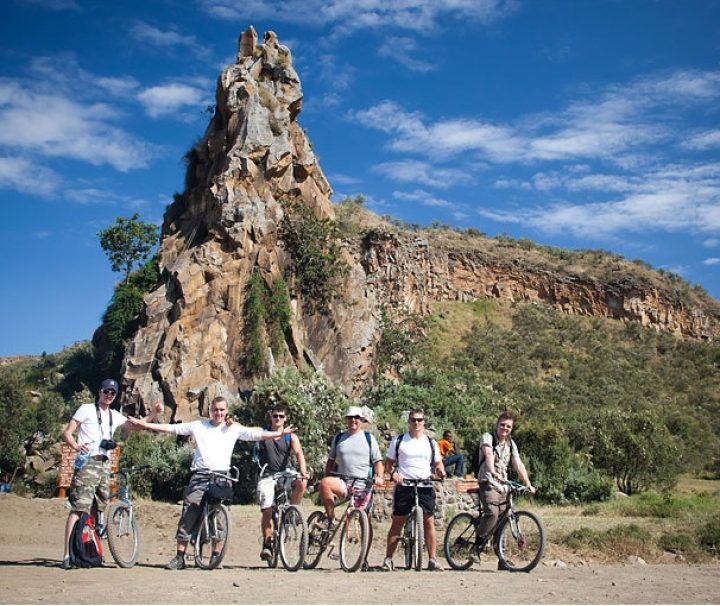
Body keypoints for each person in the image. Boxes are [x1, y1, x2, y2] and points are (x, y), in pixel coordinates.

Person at [127, 395, 294, 570]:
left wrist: (279, 433)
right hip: (200, 475)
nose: (218, 413)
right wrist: (146, 425)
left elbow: (257, 434)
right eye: (215, 410)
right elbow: (173, 429)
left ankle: (216, 555)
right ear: (210, 410)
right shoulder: (199, 426)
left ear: (227, 411)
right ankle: (180, 556)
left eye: (222, 410)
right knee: (189, 513)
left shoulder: (233, 428)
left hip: (222, 477)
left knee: (220, 517)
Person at [60, 378, 163, 570]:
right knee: (78, 507)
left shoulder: (114, 415)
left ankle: (88, 552)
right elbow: (67, 432)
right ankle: (67, 554)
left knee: (97, 508)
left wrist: (154, 414)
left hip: (105, 464)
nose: (109, 395)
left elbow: (135, 426)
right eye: (106, 391)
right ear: (99, 392)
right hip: (88, 462)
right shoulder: (86, 409)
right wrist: (75, 445)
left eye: (112, 393)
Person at [382, 408, 445, 571]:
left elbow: (438, 463)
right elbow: (388, 462)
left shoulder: (431, 443)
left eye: (419, 420)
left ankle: (432, 560)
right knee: (398, 521)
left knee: (429, 521)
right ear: (409, 422)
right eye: (413, 420)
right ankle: (388, 559)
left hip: (424, 484)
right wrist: (394, 474)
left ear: (424, 421)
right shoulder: (400, 440)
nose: (416, 423)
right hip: (405, 485)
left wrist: (440, 470)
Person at [476, 411, 536, 570]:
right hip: (488, 481)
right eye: (502, 425)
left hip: (504, 485)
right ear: (497, 425)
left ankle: (501, 559)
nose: (505, 428)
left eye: (508, 426)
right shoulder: (488, 437)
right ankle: (476, 547)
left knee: (502, 522)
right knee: (492, 513)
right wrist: (493, 471)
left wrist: (527, 483)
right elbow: (488, 453)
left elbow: (518, 464)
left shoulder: (510, 444)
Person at [256, 404, 308, 562]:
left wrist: (303, 472)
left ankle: (293, 509)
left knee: (301, 482)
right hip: (267, 474)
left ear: (285, 419)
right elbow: (247, 432)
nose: (278, 419)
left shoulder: (290, 437)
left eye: (281, 416)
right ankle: (267, 543)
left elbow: (299, 453)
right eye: (275, 416)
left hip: (286, 472)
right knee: (267, 511)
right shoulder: (264, 433)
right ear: (270, 417)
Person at [318, 406, 384, 528]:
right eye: (350, 417)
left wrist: (379, 476)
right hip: (344, 483)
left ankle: (365, 547)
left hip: (363, 485)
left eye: (356, 417)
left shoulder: (369, 438)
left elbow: (378, 461)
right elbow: (331, 460)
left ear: (361, 420)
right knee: (325, 483)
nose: (353, 420)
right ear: (346, 419)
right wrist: (326, 476)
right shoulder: (339, 438)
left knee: (365, 524)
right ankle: (331, 520)